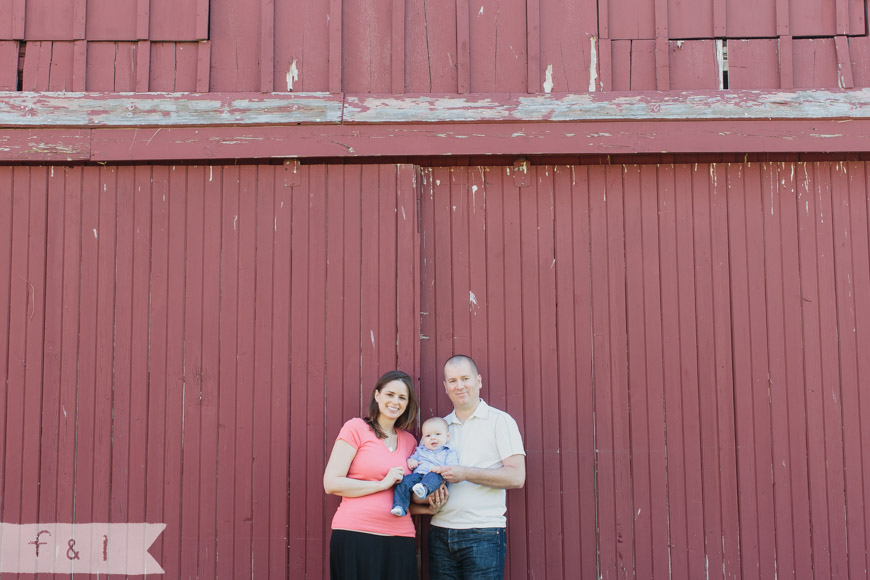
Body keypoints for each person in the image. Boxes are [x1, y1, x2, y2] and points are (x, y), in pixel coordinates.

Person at [323, 370, 446, 580]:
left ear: (407, 404)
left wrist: (426, 509)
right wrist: (382, 484)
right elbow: (331, 483)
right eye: (390, 394)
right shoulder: (356, 428)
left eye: (402, 397)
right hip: (356, 534)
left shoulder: (411, 442)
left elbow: (400, 495)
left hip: (400, 538)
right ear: (377, 395)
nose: (395, 401)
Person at [428, 355, 526, 580]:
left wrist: (466, 473)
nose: (459, 386)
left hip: (484, 533)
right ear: (445, 387)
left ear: (479, 380)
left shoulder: (500, 421)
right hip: (440, 533)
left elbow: (516, 476)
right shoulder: (439, 429)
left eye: (465, 378)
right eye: (452, 381)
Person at [391, 417, 459, 517]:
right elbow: (412, 458)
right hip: (419, 476)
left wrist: (440, 469)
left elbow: (453, 467)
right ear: (423, 438)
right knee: (404, 481)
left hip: (437, 478)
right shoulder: (420, 450)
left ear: (447, 436)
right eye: (428, 436)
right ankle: (400, 506)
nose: (433, 438)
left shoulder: (448, 452)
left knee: (433, 476)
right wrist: (411, 461)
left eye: (438, 434)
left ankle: (424, 489)